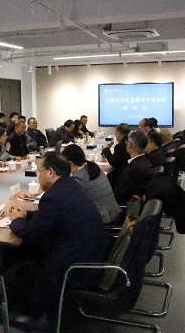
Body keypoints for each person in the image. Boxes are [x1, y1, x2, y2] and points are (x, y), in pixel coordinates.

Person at [8, 152, 108, 327]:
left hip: (75, 266)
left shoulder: (53, 196)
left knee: (21, 266)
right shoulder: (71, 185)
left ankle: (33, 315)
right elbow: (52, 217)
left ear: (50, 172)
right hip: (92, 254)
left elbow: (30, 234)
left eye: (39, 171)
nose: (38, 176)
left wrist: (16, 221)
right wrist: (26, 215)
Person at [61, 144, 122, 224]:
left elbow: (68, 203)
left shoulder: (79, 178)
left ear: (70, 164)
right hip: (115, 215)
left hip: (103, 223)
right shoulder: (93, 168)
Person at [113, 129, 155, 204]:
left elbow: (120, 196)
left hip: (124, 205)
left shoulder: (135, 169)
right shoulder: (144, 161)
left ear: (130, 145)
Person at [102, 123, 131, 188]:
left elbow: (113, 162)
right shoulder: (131, 140)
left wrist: (106, 149)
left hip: (121, 176)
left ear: (118, 133)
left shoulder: (120, 146)